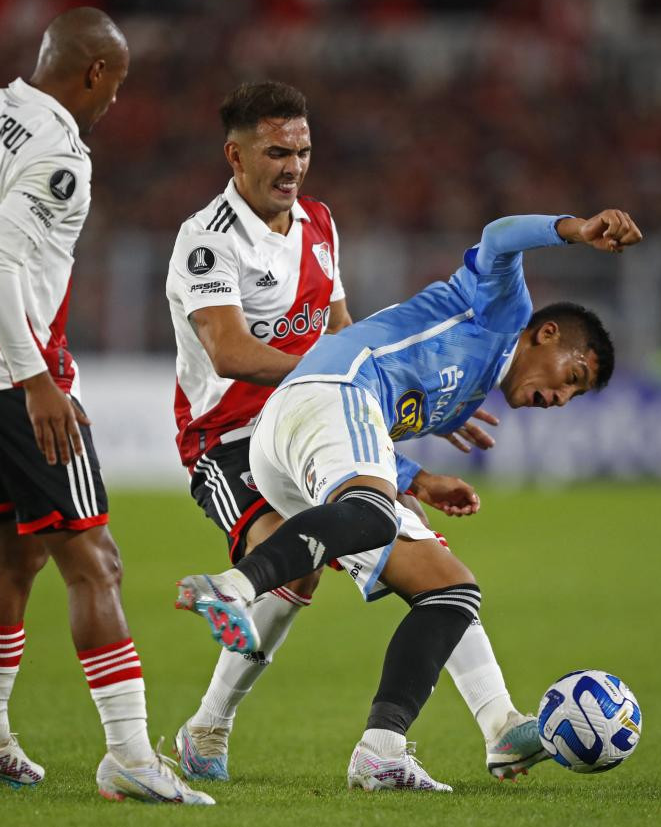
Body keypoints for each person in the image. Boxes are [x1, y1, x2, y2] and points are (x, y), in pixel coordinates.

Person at [0, 7, 212, 806]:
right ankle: (128, 754)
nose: (116, 101)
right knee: (97, 562)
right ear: (94, 73)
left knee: (17, 554)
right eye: (117, 85)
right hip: (9, 383)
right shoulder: (61, 151)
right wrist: (35, 380)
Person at [176, 209, 641, 790]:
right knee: (368, 517)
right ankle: (236, 587)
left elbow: (361, 446)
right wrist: (575, 229)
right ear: (546, 335)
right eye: (571, 376)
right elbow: (498, 237)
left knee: (449, 589)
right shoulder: (504, 313)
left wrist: (417, 480)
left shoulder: (463, 397)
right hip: (323, 394)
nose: (561, 397)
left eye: (575, 395)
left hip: (299, 434)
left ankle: (405, 744)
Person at [165, 81, 543, 784]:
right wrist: (329, 372)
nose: (293, 166)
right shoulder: (207, 241)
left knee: (435, 570)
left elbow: (349, 339)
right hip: (229, 436)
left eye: (303, 151)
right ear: (236, 155)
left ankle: (500, 723)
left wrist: (404, 436)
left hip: (326, 422)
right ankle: (209, 725)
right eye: (277, 152)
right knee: (296, 562)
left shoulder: (320, 224)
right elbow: (229, 351)